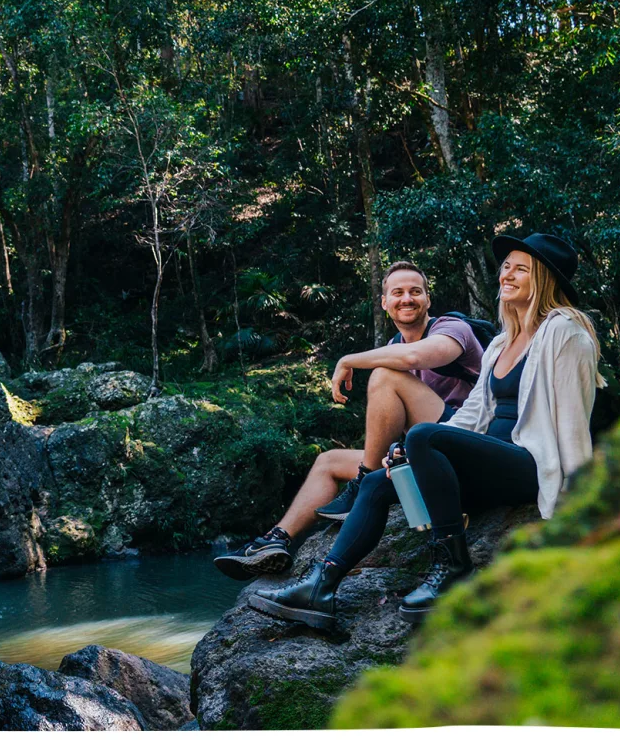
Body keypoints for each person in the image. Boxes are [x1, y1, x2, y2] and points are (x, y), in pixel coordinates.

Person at [248, 233, 602, 628]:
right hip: (490, 459)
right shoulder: (503, 342)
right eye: (505, 266)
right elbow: (472, 414)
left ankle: (452, 567)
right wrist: (413, 454)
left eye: (521, 268)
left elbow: (574, 423)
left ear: (545, 280)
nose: (507, 274)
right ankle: (320, 585)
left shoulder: (567, 333)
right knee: (381, 480)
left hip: (529, 464)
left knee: (422, 435)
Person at [214, 261, 484, 580]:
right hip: (425, 452)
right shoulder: (393, 349)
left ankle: (363, 480)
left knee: (385, 375)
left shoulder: (452, 329)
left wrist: (347, 360)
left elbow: (415, 358)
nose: (406, 298)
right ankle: (275, 541)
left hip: (467, 441)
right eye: (397, 293)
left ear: (428, 299)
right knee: (328, 462)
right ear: (385, 303)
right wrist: (394, 451)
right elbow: (398, 419)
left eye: (415, 291)